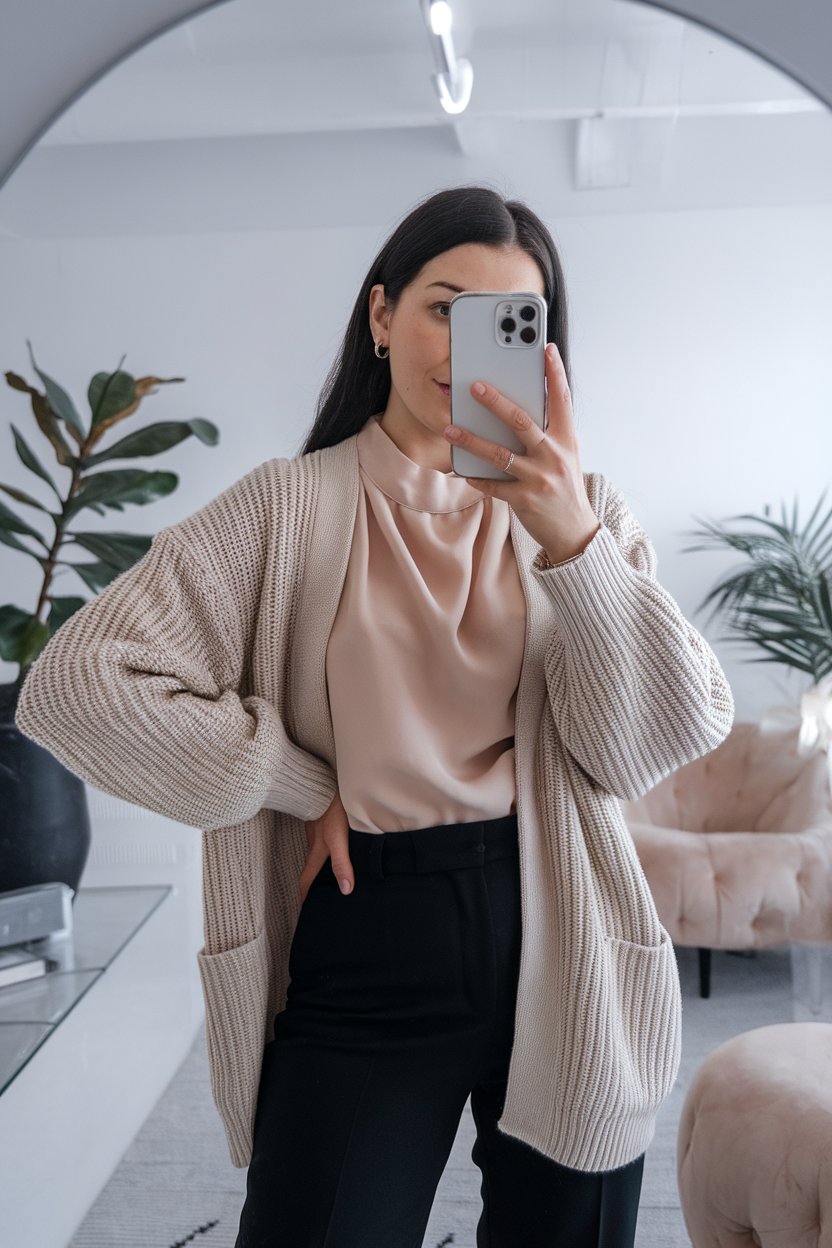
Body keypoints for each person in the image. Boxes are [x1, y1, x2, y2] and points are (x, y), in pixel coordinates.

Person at [14, 185, 735, 1248]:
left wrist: (571, 539)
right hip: (366, 924)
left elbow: (643, 745)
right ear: (381, 315)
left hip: (561, 926)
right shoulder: (283, 507)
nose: (465, 344)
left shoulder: (586, 517)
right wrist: (300, 783)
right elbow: (73, 686)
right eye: (445, 306)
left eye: (510, 322)